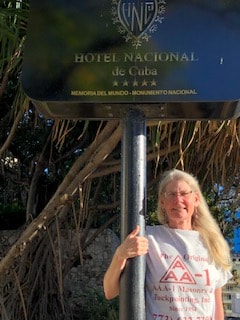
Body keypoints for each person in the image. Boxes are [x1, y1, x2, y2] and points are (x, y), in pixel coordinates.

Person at [103, 169, 232, 320]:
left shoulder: (213, 244)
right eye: (171, 194)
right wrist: (120, 254)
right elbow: (110, 291)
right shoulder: (148, 238)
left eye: (184, 193)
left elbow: (217, 307)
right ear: (162, 202)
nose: (178, 200)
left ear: (196, 199)